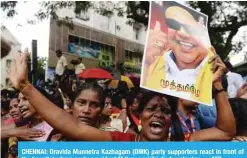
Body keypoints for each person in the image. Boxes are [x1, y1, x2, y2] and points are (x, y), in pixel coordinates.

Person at [8, 50, 236, 141]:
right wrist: (26, 87)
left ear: (171, 120)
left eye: (165, 110)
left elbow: (226, 131)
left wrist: (217, 86)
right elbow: (73, 127)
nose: (158, 114)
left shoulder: (182, 144)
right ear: (140, 116)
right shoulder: (121, 141)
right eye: (151, 108)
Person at [143, 6, 213, 105]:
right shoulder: (156, 61)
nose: (182, 33)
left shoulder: (215, 74)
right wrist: (146, 62)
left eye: (191, 29)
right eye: (174, 24)